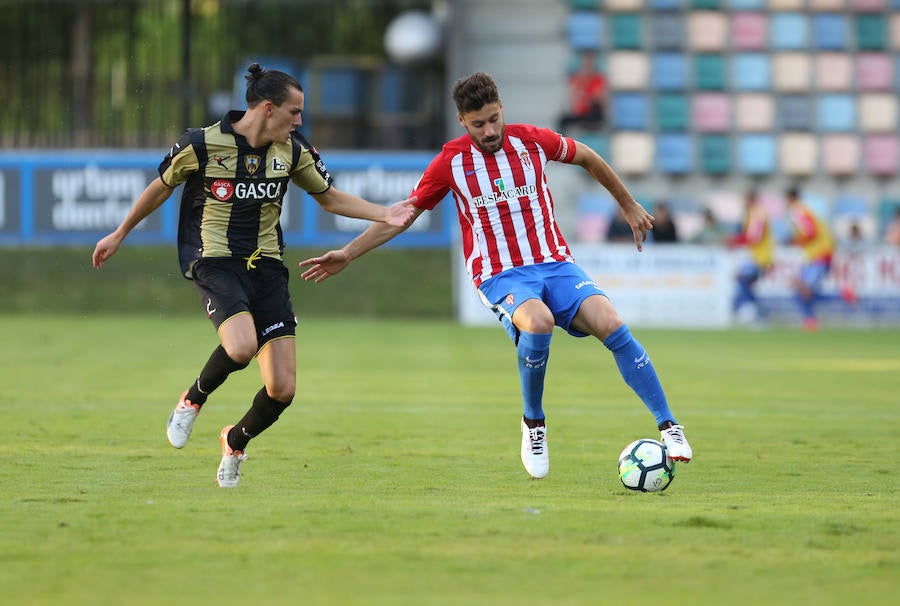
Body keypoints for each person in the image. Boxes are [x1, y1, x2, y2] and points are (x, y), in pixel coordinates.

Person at [299, 72, 693, 479]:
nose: (488, 131)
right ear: (462, 121)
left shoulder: (533, 140)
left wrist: (628, 204)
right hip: (500, 272)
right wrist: (348, 252)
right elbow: (402, 217)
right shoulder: (450, 162)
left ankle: (669, 426)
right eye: (477, 124)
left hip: (555, 263)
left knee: (611, 322)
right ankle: (533, 424)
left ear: (501, 108)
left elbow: (588, 156)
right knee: (538, 322)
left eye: (493, 119)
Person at [92, 63, 415, 487]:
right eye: (294, 112)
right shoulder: (203, 144)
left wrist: (384, 212)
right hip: (214, 260)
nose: (300, 121)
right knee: (241, 346)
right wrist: (120, 232)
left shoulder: (294, 151)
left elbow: (331, 198)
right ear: (267, 108)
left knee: (282, 389)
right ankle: (192, 400)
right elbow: (160, 186)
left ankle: (235, 440)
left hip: (266, 269)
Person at [784, 187, 834, 332]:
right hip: (814, 256)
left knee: (804, 289)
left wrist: (794, 241)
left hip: (820, 254)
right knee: (801, 289)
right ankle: (810, 320)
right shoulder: (804, 210)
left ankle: (841, 296)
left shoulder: (798, 211)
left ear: (791, 199)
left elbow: (811, 232)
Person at [728, 189, 773, 324]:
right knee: (744, 282)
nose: (744, 203)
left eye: (745, 199)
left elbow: (755, 237)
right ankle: (753, 314)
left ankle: (753, 314)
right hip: (755, 256)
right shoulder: (751, 214)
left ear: (751, 199)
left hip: (761, 257)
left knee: (743, 280)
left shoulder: (757, 213)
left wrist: (735, 242)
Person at [558, 51, 607, 133]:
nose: (587, 66)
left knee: (595, 109)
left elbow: (598, 98)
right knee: (562, 120)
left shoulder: (598, 79)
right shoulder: (576, 79)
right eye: (585, 64)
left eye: (589, 64)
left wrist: (583, 96)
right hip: (581, 113)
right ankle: (561, 143)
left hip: (593, 114)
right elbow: (572, 97)